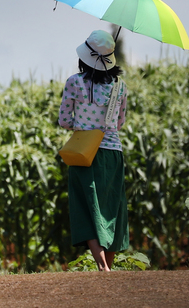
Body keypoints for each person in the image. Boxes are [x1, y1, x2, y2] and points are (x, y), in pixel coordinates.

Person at [57, 29, 129, 270]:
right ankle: (108, 266)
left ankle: (102, 267)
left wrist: (83, 122)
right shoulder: (119, 85)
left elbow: (65, 121)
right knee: (111, 208)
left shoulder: (74, 82)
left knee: (86, 206)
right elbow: (119, 123)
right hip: (113, 153)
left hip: (85, 154)